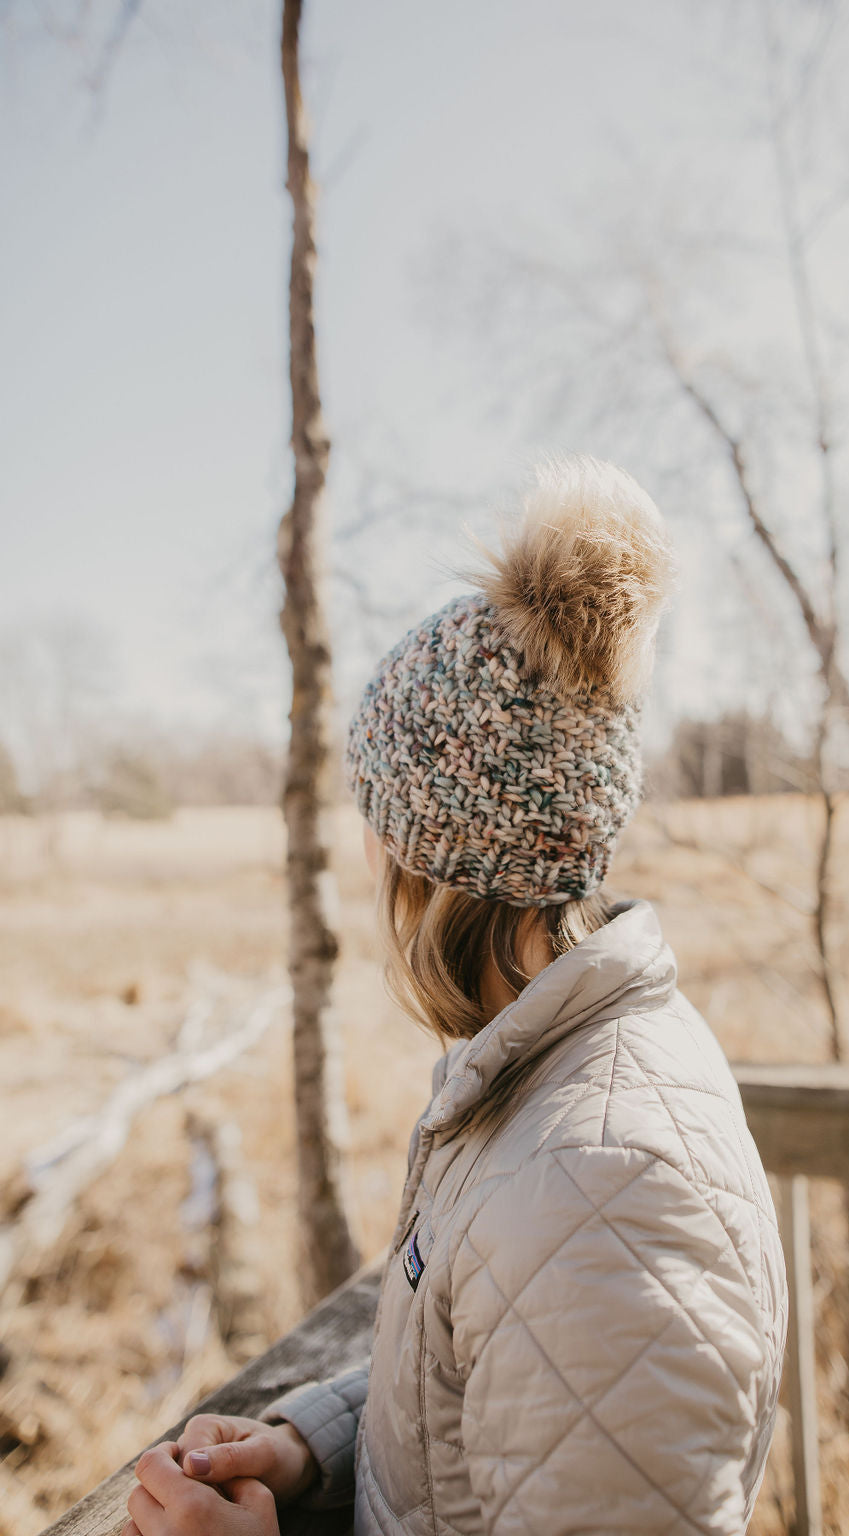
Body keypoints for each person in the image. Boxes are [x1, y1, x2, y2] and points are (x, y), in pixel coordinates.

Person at [122, 457, 787, 1536]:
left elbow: (568, 1333)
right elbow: (499, 1373)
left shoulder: (604, 1184)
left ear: (441, 873)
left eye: (388, 850)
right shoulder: (546, 1082)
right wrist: (312, 1444)